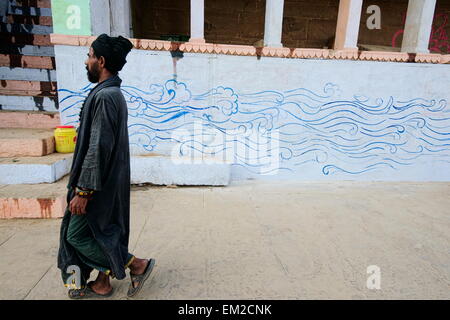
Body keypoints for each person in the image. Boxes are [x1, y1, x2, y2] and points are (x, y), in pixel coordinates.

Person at [57, 33, 155, 299]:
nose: (86, 61)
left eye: (89, 56)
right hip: (99, 183)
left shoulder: (106, 97)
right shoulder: (108, 93)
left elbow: (98, 147)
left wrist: (84, 191)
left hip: (97, 186)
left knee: (74, 236)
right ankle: (95, 284)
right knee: (94, 235)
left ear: (101, 61)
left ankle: (136, 264)